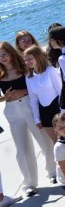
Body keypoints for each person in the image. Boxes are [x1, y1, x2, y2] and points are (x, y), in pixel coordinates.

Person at [1, 41, 55, 195]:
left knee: (44, 141)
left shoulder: (25, 70)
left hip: (28, 106)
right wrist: (5, 97)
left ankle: (52, 172)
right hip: (12, 111)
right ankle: (29, 184)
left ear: (10, 53)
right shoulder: (1, 75)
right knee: (22, 149)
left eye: (4, 54)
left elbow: (36, 88)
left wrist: (22, 92)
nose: (2, 58)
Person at [24, 44, 63, 143]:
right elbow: (33, 99)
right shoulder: (29, 77)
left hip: (58, 109)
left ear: (38, 57)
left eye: (30, 59)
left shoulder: (51, 71)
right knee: (56, 144)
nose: (27, 62)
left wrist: (64, 112)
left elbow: (61, 92)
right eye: (25, 60)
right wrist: (37, 118)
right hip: (44, 113)